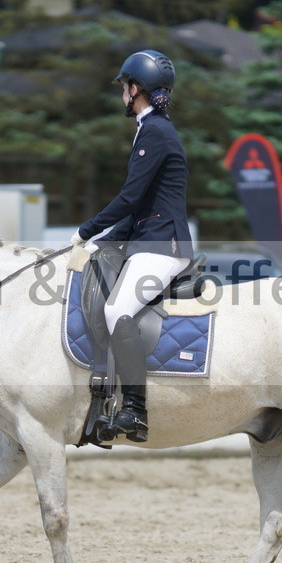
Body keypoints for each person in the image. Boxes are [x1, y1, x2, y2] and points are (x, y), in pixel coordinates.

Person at [71, 50, 194, 443]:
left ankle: (135, 411)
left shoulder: (155, 131)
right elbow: (140, 204)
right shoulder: (152, 127)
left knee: (117, 308)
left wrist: (84, 232)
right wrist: (103, 241)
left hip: (163, 247)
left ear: (135, 88)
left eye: (125, 86)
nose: (122, 93)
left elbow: (129, 198)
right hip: (147, 240)